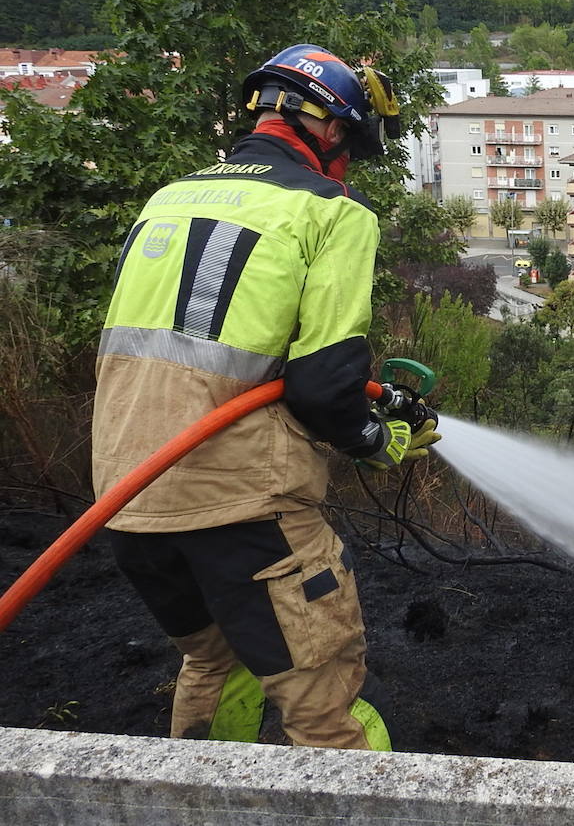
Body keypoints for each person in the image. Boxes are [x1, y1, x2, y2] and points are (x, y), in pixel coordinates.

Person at [91, 43, 439, 751]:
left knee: (214, 660)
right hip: (244, 509)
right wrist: (377, 439)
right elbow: (321, 387)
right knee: (322, 707)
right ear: (333, 129)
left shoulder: (169, 198)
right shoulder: (332, 211)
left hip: (128, 499)